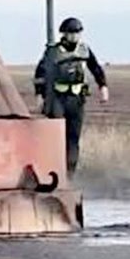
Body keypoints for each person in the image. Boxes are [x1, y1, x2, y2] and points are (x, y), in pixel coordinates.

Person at [33, 16, 109, 177]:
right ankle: (52, 171)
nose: (74, 36)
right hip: (57, 99)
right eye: (71, 33)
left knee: (73, 138)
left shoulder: (84, 50)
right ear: (64, 34)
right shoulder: (53, 52)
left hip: (77, 99)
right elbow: (40, 73)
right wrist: (39, 95)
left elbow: (95, 69)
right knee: (56, 136)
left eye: (77, 33)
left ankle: (69, 175)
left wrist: (103, 87)